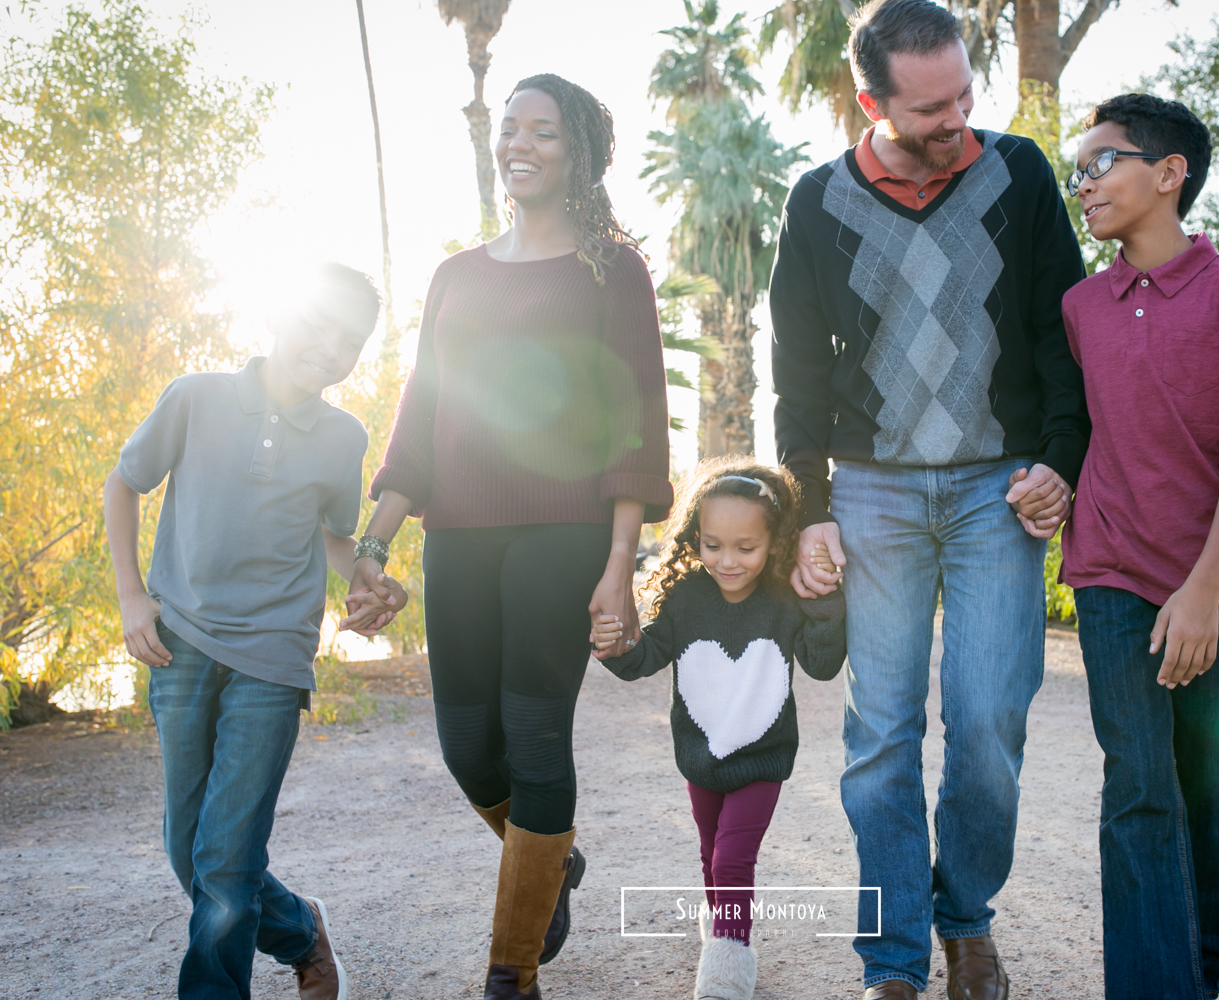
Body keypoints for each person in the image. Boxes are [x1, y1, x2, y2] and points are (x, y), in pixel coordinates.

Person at [769, 1, 1089, 997]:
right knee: (881, 738)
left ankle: (967, 915)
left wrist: (1060, 461)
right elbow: (795, 374)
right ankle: (896, 959)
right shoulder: (816, 203)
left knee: (990, 724)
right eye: (932, 108)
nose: (959, 119)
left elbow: (1058, 330)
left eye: (964, 94)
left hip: (1001, 491)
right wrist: (809, 504)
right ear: (871, 102)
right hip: (872, 496)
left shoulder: (1019, 174)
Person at [352, 73, 672, 1000]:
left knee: (533, 737)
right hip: (456, 531)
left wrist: (621, 566)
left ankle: (511, 971)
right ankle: (552, 859)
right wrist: (371, 548)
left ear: (578, 153)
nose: (518, 144)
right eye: (511, 128)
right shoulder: (456, 273)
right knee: (465, 745)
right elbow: (419, 420)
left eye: (542, 130)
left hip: (565, 531)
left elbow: (633, 424)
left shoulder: (612, 268)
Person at [103, 262, 407, 1000]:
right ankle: (301, 930)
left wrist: (368, 578)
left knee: (227, 857)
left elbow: (335, 538)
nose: (329, 349)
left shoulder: (343, 436)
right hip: (178, 647)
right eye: (318, 325)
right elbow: (124, 483)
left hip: (273, 659)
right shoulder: (196, 397)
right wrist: (132, 598)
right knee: (192, 855)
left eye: (349, 341)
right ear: (279, 312)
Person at [1061, 93, 1219, 1000]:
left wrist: (1200, 591)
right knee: (1138, 789)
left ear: (1168, 173)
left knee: (1205, 797)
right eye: (1077, 170)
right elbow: (1080, 434)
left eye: (1102, 163)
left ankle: (1196, 979)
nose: (1084, 185)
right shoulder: (1084, 305)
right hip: (1112, 575)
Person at [590, 459, 847, 1000]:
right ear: (695, 538)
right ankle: (720, 925)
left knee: (733, 856)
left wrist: (823, 604)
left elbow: (822, 665)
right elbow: (647, 656)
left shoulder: (785, 596)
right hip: (700, 755)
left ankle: (728, 966)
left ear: (775, 542)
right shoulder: (686, 597)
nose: (726, 561)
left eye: (745, 548)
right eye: (712, 545)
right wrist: (614, 647)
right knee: (710, 854)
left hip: (764, 759)